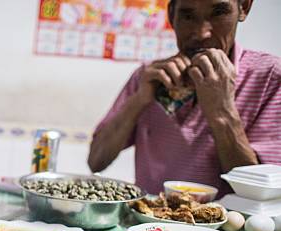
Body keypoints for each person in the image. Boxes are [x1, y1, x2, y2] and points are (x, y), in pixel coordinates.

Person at [88, 0, 280, 196]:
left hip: (225, 226)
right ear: (172, 14)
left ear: (244, 7)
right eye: (188, 16)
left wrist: (221, 111)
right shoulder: (149, 77)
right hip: (148, 223)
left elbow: (260, 195)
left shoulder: (270, 78)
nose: (201, 33)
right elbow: (96, 161)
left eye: (219, 13)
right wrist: (139, 100)